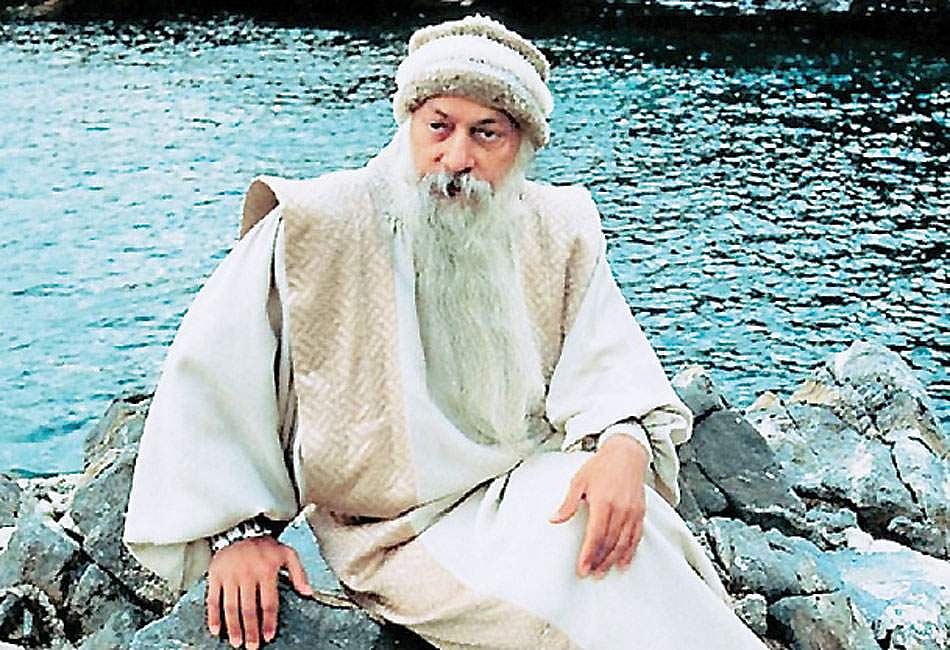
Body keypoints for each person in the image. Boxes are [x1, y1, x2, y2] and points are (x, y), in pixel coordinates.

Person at [123, 13, 767, 650]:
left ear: (522, 145)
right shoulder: (321, 223)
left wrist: (624, 444)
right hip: (393, 532)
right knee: (588, 593)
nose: (456, 158)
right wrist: (239, 534)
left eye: (487, 134)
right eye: (440, 126)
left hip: (523, 481)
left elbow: (606, 359)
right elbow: (215, 375)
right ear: (409, 121)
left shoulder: (556, 227)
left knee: (630, 534)